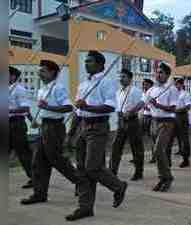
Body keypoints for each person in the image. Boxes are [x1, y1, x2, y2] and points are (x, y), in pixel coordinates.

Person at [66, 51, 128, 221]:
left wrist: (87, 107)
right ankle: (85, 207)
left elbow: (110, 107)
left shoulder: (106, 82)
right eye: (86, 61)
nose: (86, 64)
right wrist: (71, 133)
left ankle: (119, 186)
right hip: (83, 128)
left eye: (90, 61)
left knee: (92, 167)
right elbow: (78, 111)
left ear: (101, 65)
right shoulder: (83, 84)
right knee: (82, 169)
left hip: (98, 127)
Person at [21, 60, 89, 205]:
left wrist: (49, 107)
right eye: (39, 71)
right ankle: (39, 194)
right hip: (43, 126)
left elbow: (68, 108)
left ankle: (80, 181)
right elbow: (43, 110)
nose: (40, 74)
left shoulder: (58, 88)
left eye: (43, 71)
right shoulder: (42, 89)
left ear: (52, 72)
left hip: (55, 128)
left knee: (57, 160)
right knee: (38, 161)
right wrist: (37, 120)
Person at [141, 62, 178, 192]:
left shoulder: (172, 89)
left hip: (167, 122)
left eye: (161, 72)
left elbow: (173, 108)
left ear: (167, 75)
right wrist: (131, 110)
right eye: (157, 72)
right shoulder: (152, 90)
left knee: (158, 149)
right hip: (154, 122)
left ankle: (167, 177)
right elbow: (142, 103)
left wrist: (157, 105)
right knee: (157, 152)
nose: (158, 74)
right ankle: (162, 177)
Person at [109, 69, 145, 181]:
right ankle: (112, 171)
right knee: (116, 147)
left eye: (124, 77)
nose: (121, 79)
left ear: (130, 78)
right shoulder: (118, 91)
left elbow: (141, 104)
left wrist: (131, 112)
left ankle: (139, 172)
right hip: (121, 121)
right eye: (120, 77)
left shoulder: (135, 91)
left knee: (136, 147)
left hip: (132, 121)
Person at [9, 66, 33, 189]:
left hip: (16, 124)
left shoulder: (19, 90)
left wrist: (31, 120)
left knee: (23, 153)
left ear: (13, 76)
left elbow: (25, 108)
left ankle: (34, 177)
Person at [173, 78, 191, 168]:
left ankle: (186, 159)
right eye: (175, 84)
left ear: (181, 84)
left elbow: (188, 106)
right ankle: (181, 151)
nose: (175, 86)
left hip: (182, 116)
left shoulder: (185, 94)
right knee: (178, 137)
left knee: (184, 137)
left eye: (177, 84)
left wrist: (178, 110)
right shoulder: (175, 94)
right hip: (174, 116)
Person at [139, 78, 156, 163]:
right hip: (143, 116)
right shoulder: (143, 94)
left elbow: (156, 105)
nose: (143, 86)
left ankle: (154, 156)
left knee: (152, 138)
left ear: (150, 85)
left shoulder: (153, 93)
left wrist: (148, 108)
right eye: (143, 84)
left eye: (145, 84)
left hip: (151, 117)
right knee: (139, 137)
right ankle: (139, 156)